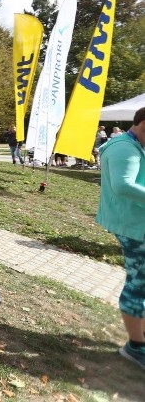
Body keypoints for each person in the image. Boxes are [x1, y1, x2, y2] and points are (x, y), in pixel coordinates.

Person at [95, 106, 145, 371]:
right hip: (134, 226)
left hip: (137, 223)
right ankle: (136, 347)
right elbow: (123, 185)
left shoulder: (133, 145)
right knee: (139, 284)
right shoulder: (123, 147)